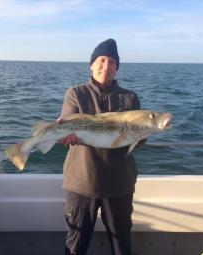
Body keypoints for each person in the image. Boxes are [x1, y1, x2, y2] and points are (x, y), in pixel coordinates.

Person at [58, 38, 142, 255]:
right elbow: (67, 121)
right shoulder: (75, 93)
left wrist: (141, 134)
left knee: (121, 242)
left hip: (120, 183)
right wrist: (67, 134)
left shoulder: (130, 98)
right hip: (82, 181)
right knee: (76, 242)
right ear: (92, 64)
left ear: (117, 67)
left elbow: (139, 143)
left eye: (113, 62)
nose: (107, 66)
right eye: (102, 60)